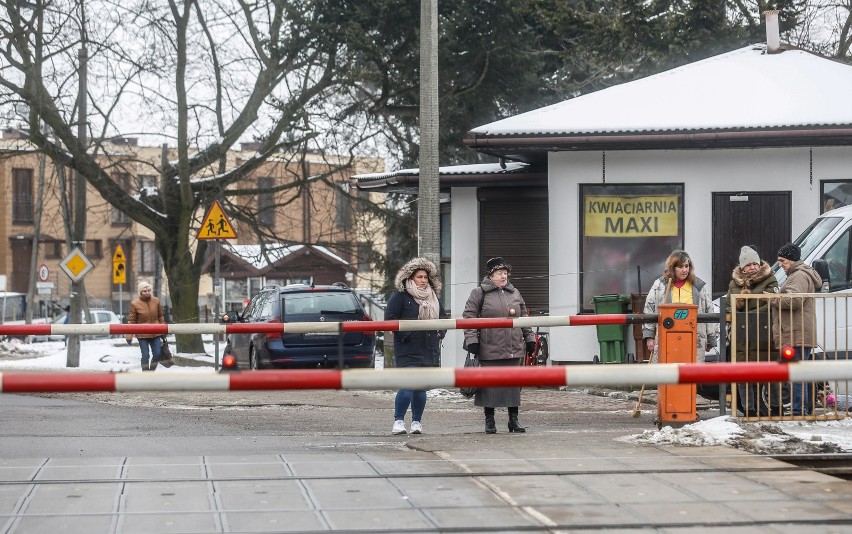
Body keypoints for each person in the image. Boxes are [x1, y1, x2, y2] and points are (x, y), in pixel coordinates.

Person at [463, 257, 535, 434]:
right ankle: (490, 421)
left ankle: (513, 421)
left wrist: (530, 338)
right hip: (490, 347)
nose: (503, 276)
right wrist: (472, 341)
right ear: (490, 275)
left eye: (505, 273)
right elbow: (469, 317)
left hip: (514, 347)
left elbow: (523, 317)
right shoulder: (478, 293)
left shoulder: (514, 292)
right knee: (489, 387)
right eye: (499, 273)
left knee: (513, 386)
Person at [384, 257, 445, 435]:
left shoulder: (433, 297)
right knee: (407, 386)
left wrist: (441, 333)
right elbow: (390, 318)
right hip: (407, 348)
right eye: (420, 277)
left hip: (428, 347)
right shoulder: (401, 296)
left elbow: (443, 318)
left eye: (426, 277)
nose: (424, 280)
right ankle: (399, 421)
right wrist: (406, 334)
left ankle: (417, 422)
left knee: (420, 387)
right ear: (410, 278)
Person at [728, 245, 778, 416]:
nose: (753, 267)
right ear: (742, 267)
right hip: (742, 337)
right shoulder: (733, 284)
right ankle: (748, 409)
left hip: (764, 334)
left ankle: (776, 409)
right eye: (748, 265)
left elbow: (770, 304)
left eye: (755, 263)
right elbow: (729, 306)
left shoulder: (770, 279)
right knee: (743, 375)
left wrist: (745, 316)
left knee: (769, 373)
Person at [642, 250, 718, 363]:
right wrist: (649, 336)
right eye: (680, 267)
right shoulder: (660, 285)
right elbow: (649, 309)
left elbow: (709, 310)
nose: (685, 270)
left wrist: (711, 338)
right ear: (672, 268)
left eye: (687, 266)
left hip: (694, 340)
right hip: (666, 339)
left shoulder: (698, 286)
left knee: (691, 376)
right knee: (667, 375)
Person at [772, 242, 821, 416]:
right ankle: (803, 409)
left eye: (783, 261)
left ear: (792, 260)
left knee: (796, 374)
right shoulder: (799, 274)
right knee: (801, 372)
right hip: (798, 332)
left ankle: (799, 410)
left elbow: (793, 301)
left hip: (796, 333)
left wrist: (772, 299)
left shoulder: (798, 276)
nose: (780, 265)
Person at [126, 280, 165, 371]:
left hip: (155, 333)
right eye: (145, 291)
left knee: (157, 354)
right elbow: (131, 321)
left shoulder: (156, 301)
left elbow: (160, 316)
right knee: (145, 355)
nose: (147, 293)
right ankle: (145, 374)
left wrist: (162, 329)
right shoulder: (135, 304)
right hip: (142, 334)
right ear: (140, 292)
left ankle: (151, 372)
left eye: (149, 290)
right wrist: (129, 336)